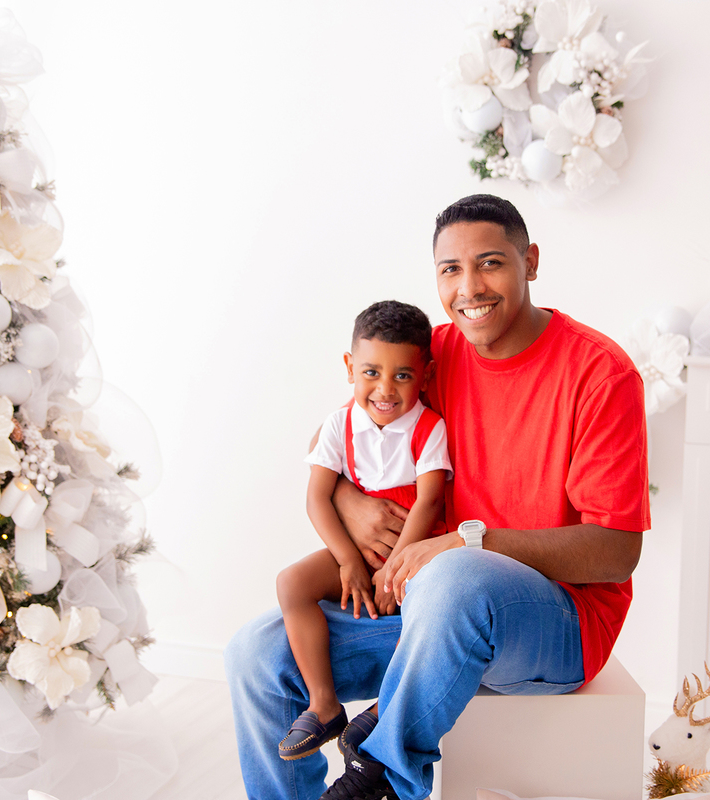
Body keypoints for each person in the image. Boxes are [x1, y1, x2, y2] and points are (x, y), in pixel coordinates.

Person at [225, 194, 650, 800]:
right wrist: (348, 501)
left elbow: (616, 553)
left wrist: (466, 543)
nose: (469, 287)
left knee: (456, 575)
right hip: (423, 608)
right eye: (451, 269)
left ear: (530, 261)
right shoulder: (432, 356)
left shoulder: (599, 374)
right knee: (256, 653)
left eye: (491, 263)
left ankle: (381, 777)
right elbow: (332, 437)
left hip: (559, 623)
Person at [275, 301, 451, 762]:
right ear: (350, 367)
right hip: (357, 552)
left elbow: (429, 503)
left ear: (425, 376)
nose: (385, 389)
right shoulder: (339, 425)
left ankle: (387, 709)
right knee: (291, 584)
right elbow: (317, 498)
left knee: (436, 613)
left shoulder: (429, 428)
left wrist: (395, 571)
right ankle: (324, 704)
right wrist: (350, 561)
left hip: (413, 554)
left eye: (402, 376)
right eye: (371, 372)